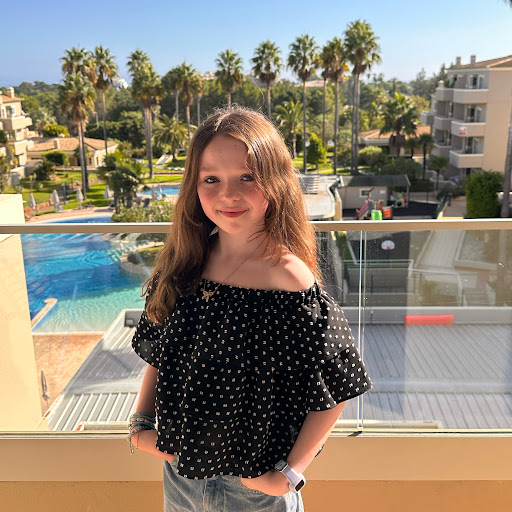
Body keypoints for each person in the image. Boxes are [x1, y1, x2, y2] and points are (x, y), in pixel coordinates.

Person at [129, 106, 373, 511]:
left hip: (253, 490)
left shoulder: (289, 280)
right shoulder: (185, 264)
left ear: (275, 181)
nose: (228, 194)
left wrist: (289, 474)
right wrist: (141, 425)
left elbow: (337, 385)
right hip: (181, 476)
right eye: (211, 179)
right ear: (194, 186)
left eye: (247, 177)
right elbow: (161, 352)